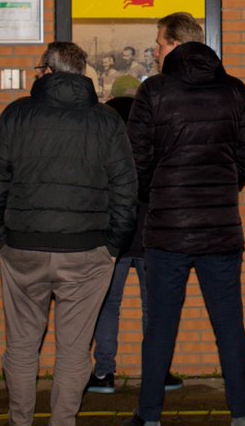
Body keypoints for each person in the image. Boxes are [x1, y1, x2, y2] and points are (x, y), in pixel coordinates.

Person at [0, 41, 138, 426]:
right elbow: (126, 188)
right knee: (73, 349)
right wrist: (113, 244)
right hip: (87, 251)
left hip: (23, 247)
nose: (35, 73)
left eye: (38, 67)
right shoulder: (106, 121)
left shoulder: (17, 115)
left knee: (21, 345)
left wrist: (0, 236)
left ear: (48, 71)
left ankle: (21, 422)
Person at [129, 12, 245, 426]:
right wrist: (224, 184)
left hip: (167, 233)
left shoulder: (152, 92)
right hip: (221, 233)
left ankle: (149, 416)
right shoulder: (234, 90)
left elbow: (136, 162)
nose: (154, 51)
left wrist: (161, 191)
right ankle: (241, 415)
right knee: (230, 326)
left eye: (157, 43)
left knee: (160, 327)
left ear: (173, 43)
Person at [87, 93, 183, 396]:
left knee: (106, 307)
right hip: (151, 237)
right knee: (154, 308)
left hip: (113, 239)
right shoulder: (153, 145)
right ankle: (158, 373)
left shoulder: (103, 146)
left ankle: (103, 373)